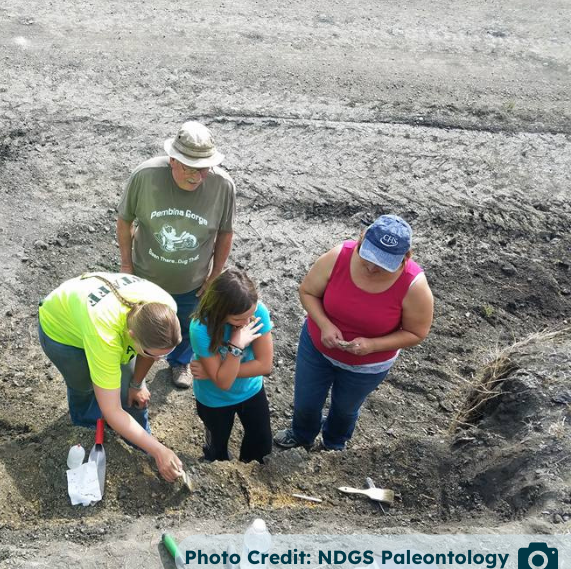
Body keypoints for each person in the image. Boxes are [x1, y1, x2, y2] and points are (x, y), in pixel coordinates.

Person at [274, 215, 434, 451]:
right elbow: (307, 291)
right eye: (367, 255)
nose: (371, 267)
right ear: (361, 238)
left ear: (406, 257)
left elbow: (417, 332)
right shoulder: (338, 257)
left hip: (367, 367)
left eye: (383, 263)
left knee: (346, 409)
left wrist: (373, 345)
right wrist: (325, 325)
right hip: (317, 350)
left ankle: (334, 444)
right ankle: (301, 435)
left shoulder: (414, 286)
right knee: (306, 401)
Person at [117, 121, 236, 390]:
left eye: (203, 169)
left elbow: (225, 233)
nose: (196, 177)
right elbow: (125, 221)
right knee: (135, 326)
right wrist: (126, 264)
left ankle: (179, 361)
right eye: (188, 169)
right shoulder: (145, 176)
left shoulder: (222, 186)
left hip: (191, 282)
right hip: (144, 278)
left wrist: (215, 275)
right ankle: (131, 374)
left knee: (185, 323)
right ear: (172, 159)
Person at [38, 272, 185, 482]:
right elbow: (112, 410)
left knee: (129, 392)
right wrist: (161, 450)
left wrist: (136, 383)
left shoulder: (165, 310)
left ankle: (143, 446)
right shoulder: (105, 336)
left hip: (104, 320)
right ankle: (87, 431)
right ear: (132, 337)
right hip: (62, 331)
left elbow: (152, 350)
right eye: (156, 354)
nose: (162, 360)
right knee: (84, 387)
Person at [189, 269, 274, 463]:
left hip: (251, 391)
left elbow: (264, 365)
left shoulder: (257, 312)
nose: (246, 323)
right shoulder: (200, 327)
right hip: (214, 399)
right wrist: (236, 346)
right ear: (220, 311)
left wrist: (215, 374)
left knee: (261, 444)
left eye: (249, 316)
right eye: (238, 319)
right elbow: (224, 384)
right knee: (216, 449)